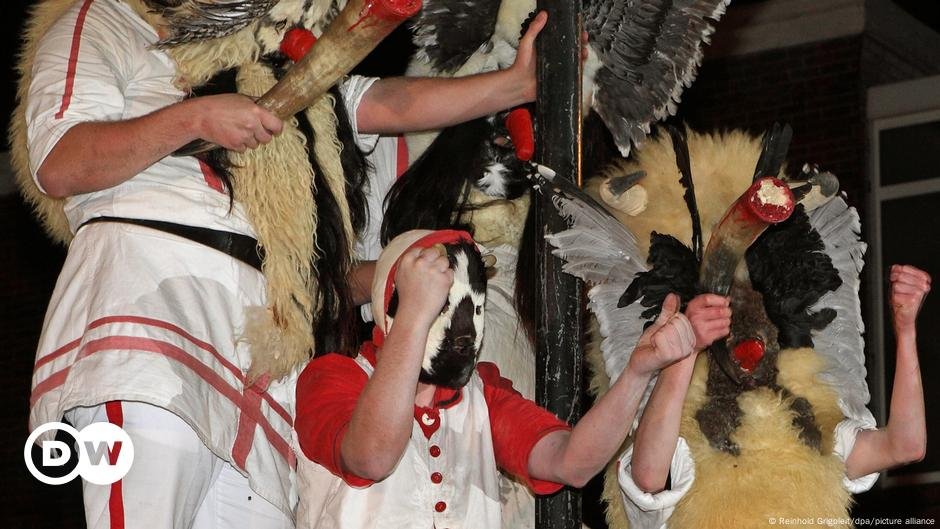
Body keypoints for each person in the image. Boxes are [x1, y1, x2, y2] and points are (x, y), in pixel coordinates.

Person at [16, 0, 550, 526]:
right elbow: (60, 163)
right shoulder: (108, 16)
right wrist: (196, 116)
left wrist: (515, 85)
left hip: (271, 350)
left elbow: (384, 103)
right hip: (156, 311)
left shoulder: (276, 48)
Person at [293, 229, 731, 529]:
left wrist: (638, 371)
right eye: (444, 305)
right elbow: (370, 457)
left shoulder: (482, 394)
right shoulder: (334, 376)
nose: (466, 329)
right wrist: (413, 315)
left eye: (474, 308)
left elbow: (571, 463)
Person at [619, 264, 931, 529]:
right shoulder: (684, 429)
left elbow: (904, 445)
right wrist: (686, 346)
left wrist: (906, 331)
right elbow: (647, 478)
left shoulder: (810, 429)